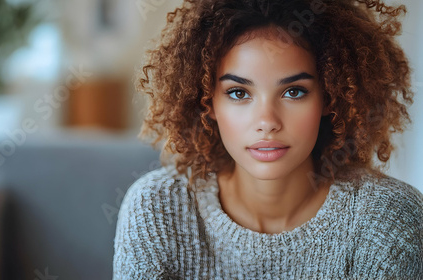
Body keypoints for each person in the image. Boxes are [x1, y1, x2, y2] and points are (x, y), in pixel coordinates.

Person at [113, 0, 423, 278]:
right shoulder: (157, 208)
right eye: (238, 93)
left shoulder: (387, 218)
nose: (267, 123)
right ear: (208, 103)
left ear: (330, 97)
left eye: (293, 92)